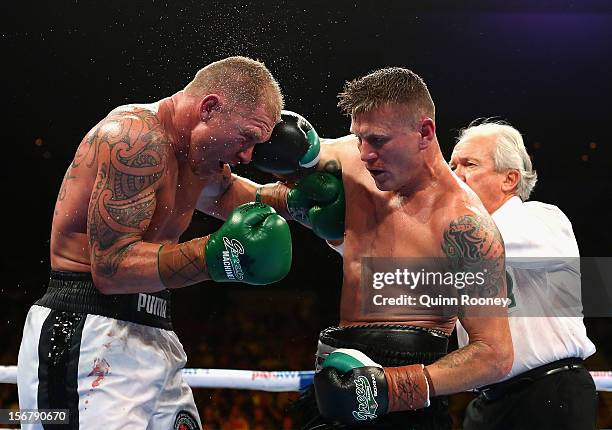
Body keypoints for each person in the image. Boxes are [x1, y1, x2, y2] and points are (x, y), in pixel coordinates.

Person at [17, 56, 293, 430]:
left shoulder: (198, 158)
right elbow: (111, 269)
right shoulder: (134, 139)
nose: (247, 156)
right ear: (209, 108)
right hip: (85, 333)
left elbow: (236, 195)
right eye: (246, 137)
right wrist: (214, 255)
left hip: (154, 331)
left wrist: (303, 204)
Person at [249, 68, 514, 429]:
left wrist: (389, 388)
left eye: (378, 140)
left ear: (425, 133)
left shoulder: (465, 226)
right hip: (331, 387)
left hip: (405, 405)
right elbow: (262, 173)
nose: (365, 154)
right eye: (359, 138)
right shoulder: (348, 159)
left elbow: (494, 355)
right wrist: (282, 172)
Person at [450, 120, 597, 429]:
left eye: (469, 164)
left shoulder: (541, 220)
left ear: (509, 179)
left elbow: (482, 242)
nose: (455, 175)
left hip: (549, 394)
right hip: (487, 401)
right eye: (452, 166)